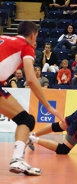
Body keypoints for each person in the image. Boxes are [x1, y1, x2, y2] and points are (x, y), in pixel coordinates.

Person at [0, 21, 63, 176]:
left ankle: (18, 159)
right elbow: (31, 79)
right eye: (36, 37)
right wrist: (47, 106)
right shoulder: (27, 47)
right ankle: (17, 159)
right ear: (33, 35)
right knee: (26, 120)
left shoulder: (3, 38)